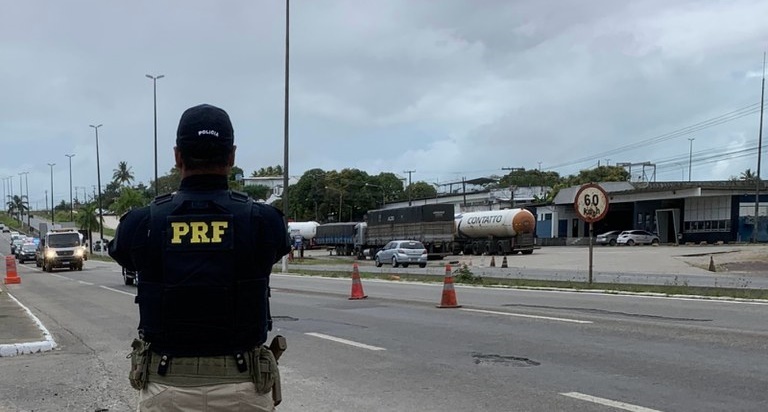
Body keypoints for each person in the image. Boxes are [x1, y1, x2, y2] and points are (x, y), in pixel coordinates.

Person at [109, 103, 290, 411]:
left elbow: (122, 253)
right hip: (243, 386)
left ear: (177, 156)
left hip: (167, 387)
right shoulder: (263, 221)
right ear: (232, 156)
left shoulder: (142, 224)